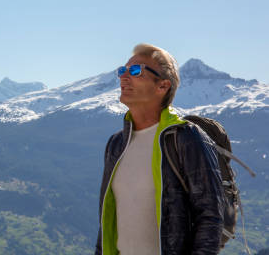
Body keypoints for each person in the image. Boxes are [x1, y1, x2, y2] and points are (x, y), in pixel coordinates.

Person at [96, 43, 225, 255]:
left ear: (162, 86)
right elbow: (107, 220)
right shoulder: (116, 144)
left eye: (135, 71)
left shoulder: (185, 138)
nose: (123, 77)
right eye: (122, 70)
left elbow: (210, 217)